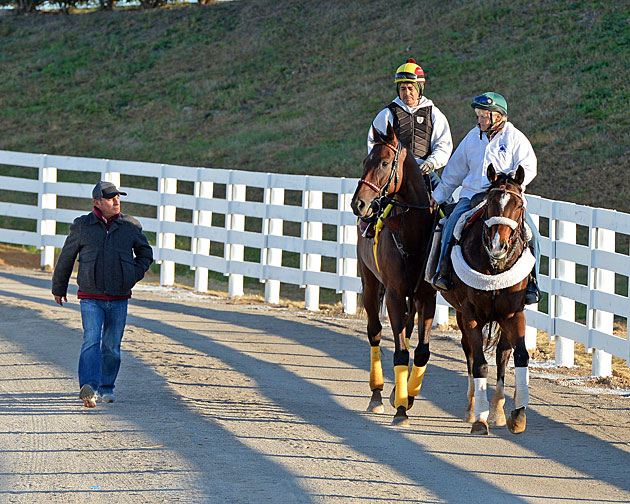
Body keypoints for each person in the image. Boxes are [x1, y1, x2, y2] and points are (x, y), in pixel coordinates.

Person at [429, 92, 541, 305]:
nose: (479, 120)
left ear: (498, 117)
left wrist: (511, 184)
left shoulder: (515, 138)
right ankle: (443, 271)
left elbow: (529, 166)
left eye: (483, 116)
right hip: (471, 195)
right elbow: (454, 171)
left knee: (533, 235)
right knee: (451, 225)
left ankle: (533, 282)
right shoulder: (472, 137)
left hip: (504, 199)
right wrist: (438, 196)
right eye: (478, 115)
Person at [52, 181, 153, 407]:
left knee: (111, 346)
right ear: (97, 202)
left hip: (119, 298)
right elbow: (66, 257)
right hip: (90, 296)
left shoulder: (130, 226)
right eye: (110, 198)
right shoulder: (82, 226)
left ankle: (107, 386)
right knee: (91, 340)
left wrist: (132, 275)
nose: (116, 201)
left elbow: (145, 254)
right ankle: (90, 387)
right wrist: (59, 287)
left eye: (118, 197)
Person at [362, 58, 453, 237]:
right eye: (402, 89)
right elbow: (374, 145)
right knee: (374, 203)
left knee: (447, 202)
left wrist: (431, 163)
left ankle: (450, 234)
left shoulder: (434, 113)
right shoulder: (387, 114)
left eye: (410, 88)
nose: (407, 93)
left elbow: (443, 145)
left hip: (425, 172)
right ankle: (368, 227)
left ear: (419, 89)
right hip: (394, 174)